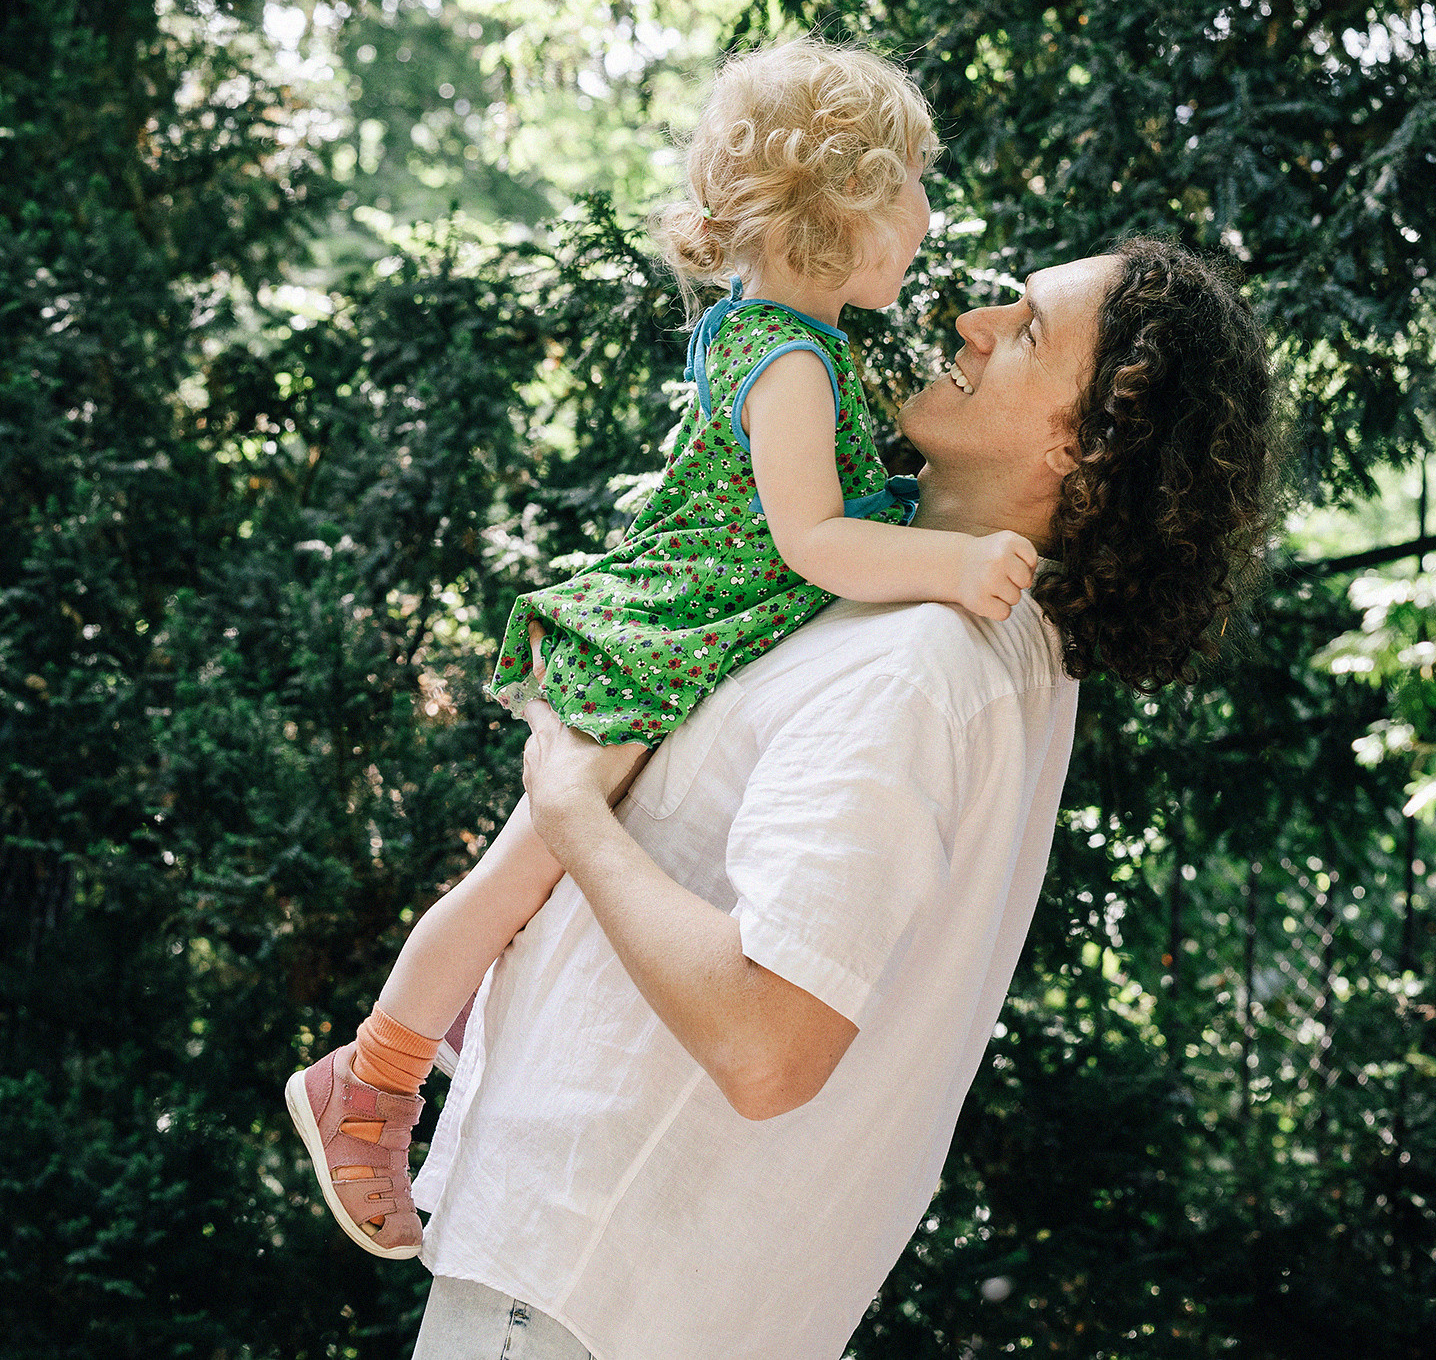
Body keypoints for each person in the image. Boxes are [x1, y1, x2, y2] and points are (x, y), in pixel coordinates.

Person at [402, 237, 1275, 1360]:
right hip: (606, 1288)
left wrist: (572, 808)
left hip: (587, 1286)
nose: (972, 321)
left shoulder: (916, 663)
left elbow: (769, 1043)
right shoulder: (954, 631)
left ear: (1082, 441)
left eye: (1025, 331)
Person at [285, 39, 1041, 1261]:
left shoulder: (803, 345)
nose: (924, 212)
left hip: (694, 635)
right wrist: (950, 562)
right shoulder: (787, 358)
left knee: (531, 889)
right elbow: (808, 541)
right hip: (662, 641)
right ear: (832, 203)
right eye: (905, 180)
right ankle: (367, 1084)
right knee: (515, 880)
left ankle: (431, 1055)